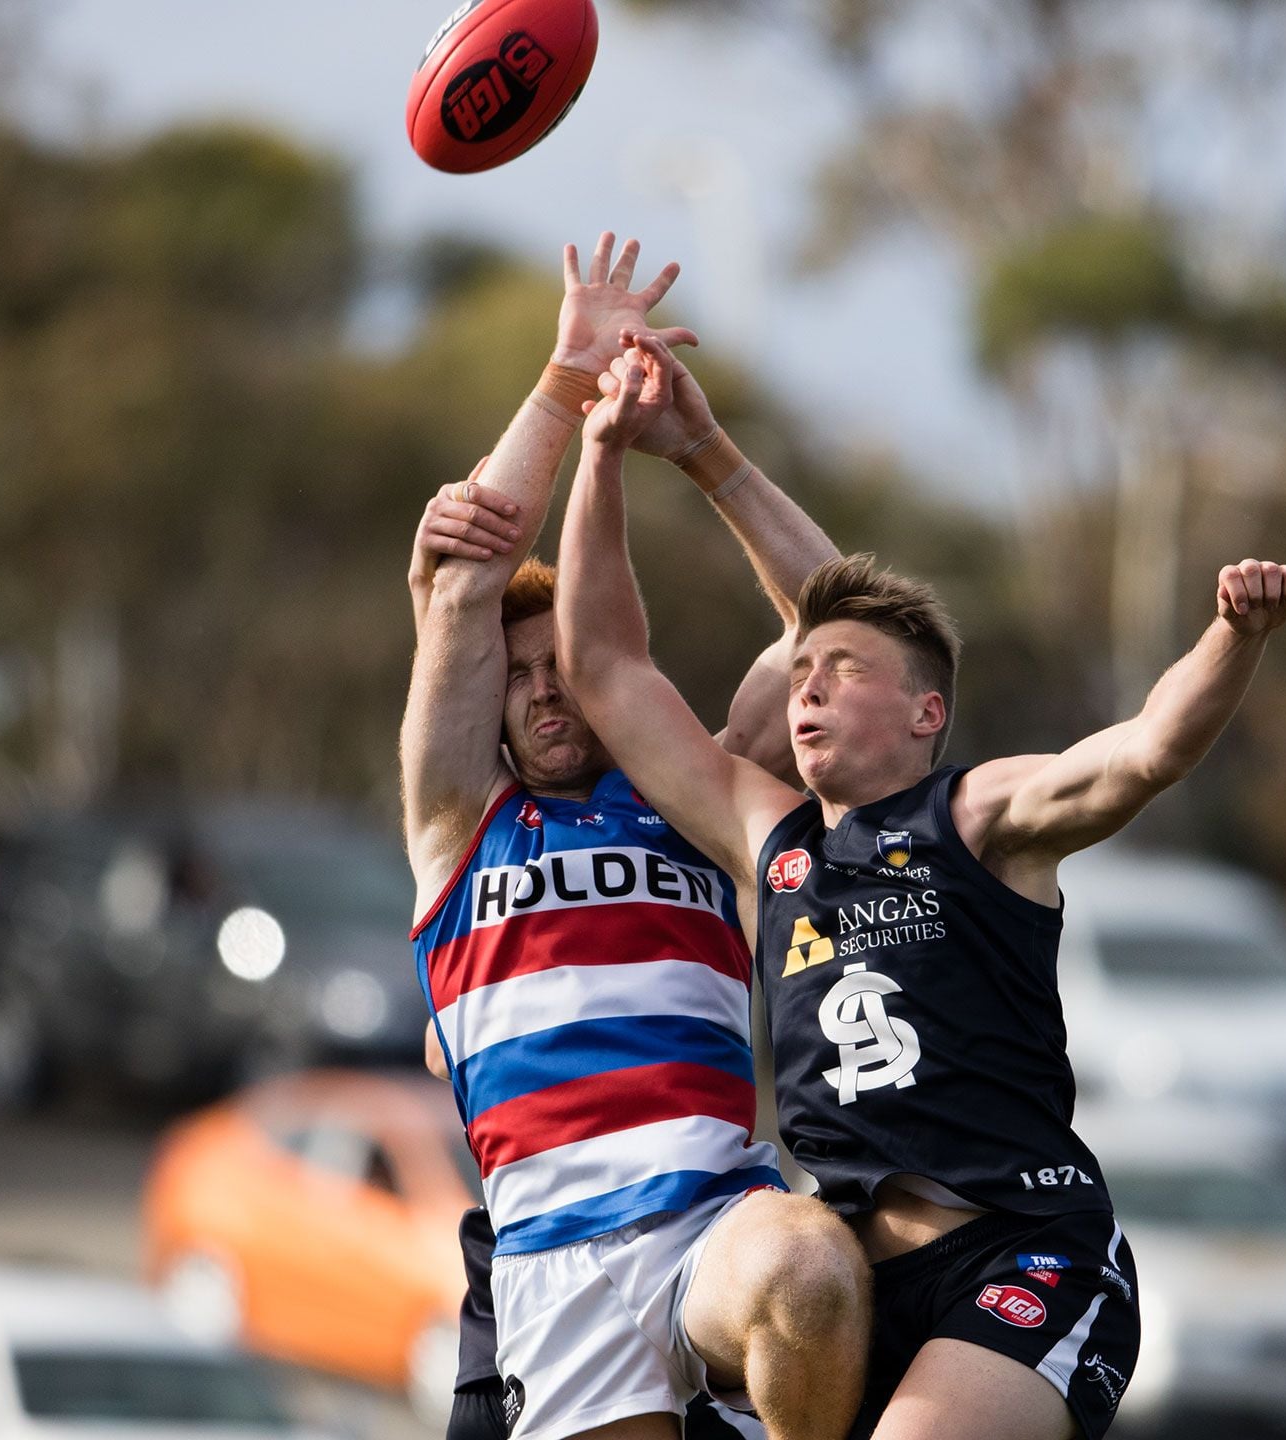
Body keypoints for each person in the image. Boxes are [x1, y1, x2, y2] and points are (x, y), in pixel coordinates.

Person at [554, 336, 1286, 1440]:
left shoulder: (979, 817)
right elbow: (607, 671)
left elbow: (1145, 750)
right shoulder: (771, 841)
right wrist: (604, 451)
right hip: (855, 1282)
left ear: (924, 713)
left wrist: (1233, 636)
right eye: (797, 675)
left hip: (1022, 1250)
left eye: (839, 673)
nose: (803, 694)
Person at [402, 234, 870, 1440]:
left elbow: (852, 633)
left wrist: (705, 455)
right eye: (519, 678)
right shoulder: (461, 826)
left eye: (564, 662)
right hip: (552, 1260)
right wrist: (563, 382)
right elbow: (462, 587)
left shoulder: (706, 796)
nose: (548, 691)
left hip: (711, 1212)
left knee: (812, 1272)